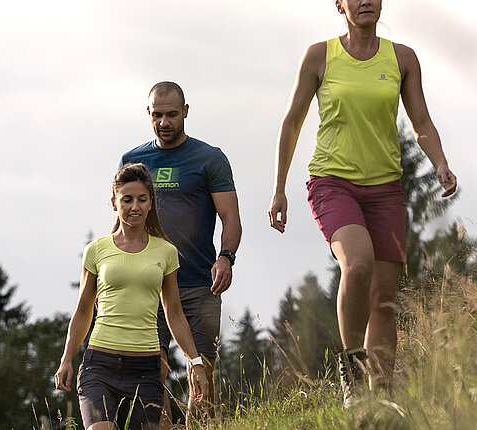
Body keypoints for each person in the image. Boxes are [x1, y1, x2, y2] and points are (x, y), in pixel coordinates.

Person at [266, 0, 458, 407]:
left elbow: (421, 122)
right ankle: (352, 368)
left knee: (384, 299)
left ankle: (380, 398)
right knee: (358, 263)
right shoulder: (320, 56)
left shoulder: (402, 58)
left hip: (386, 187)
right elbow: (292, 121)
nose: (365, 0)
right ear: (340, 4)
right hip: (333, 182)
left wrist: (439, 162)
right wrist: (279, 188)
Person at [55, 163, 212, 430]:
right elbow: (83, 311)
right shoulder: (96, 250)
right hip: (99, 365)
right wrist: (67, 358)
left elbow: (174, 313)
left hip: (146, 370)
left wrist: (195, 362)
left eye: (142, 199)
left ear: (151, 203)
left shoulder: (166, 252)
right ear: (114, 203)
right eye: (127, 200)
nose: (135, 207)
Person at [120, 81, 241, 422]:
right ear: (148, 113)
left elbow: (231, 218)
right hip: (147, 286)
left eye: (172, 115)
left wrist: (226, 257)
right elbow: (121, 222)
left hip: (199, 284)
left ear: (185, 112)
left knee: (200, 377)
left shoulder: (209, 159)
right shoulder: (133, 161)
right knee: (149, 379)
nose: (164, 122)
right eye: (157, 115)